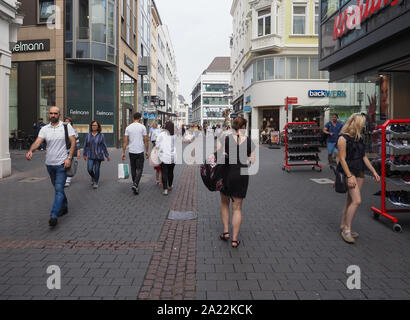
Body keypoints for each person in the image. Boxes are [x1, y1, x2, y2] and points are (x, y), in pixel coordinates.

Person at [26, 107, 76, 227]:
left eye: (55, 113)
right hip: (49, 164)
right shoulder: (44, 129)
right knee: (58, 188)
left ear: (59, 115)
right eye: (51, 113)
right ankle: (64, 206)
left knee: (59, 189)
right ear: (49, 115)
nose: (53, 115)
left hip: (62, 164)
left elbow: (73, 142)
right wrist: (31, 150)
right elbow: (38, 141)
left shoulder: (66, 126)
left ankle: (54, 215)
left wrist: (68, 158)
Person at [337, 113, 380, 244]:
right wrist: (349, 176)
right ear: (356, 123)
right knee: (357, 201)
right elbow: (342, 159)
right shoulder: (343, 139)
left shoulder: (359, 138)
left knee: (350, 200)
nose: (364, 126)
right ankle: (347, 230)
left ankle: (343, 225)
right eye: (362, 124)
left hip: (359, 171)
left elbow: (364, 156)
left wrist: (373, 171)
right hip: (349, 171)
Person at [218, 117, 255, 248]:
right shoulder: (249, 141)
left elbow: (219, 156)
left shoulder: (226, 139)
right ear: (243, 126)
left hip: (227, 174)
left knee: (224, 203)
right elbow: (252, 160)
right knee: (237, 208)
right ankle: (234, 240)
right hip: (242, 175)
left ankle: (226, 232)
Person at [122, 112, 149, 195]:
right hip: (140, 150)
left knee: (133, 169)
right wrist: (147, 151)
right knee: (140, 169)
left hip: (131, 151)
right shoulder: (142, 127)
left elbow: (125, 141)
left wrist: (123, 152)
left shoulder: (128, 127)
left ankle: (135, 185)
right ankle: (135, 184)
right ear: (140, 118)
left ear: (133, 118)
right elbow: (146, 140)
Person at [83, 121, 110, 189]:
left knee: (97, 169)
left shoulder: (101, 135)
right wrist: (84, 154)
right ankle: (93, 176)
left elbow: (104, 146)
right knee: (89, 169)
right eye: (92, 125)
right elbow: (85, 145)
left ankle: (96, 182)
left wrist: (107, 155)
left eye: (95, 125)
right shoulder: (88, 135)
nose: (94, 126)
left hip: (98, 155)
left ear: (98, 126)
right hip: (90, 154)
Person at [156, 121, 177, 196]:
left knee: (164, 173)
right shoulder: (175, 135)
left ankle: (165, 190)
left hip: (164, 157)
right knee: (171, 172)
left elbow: (157, 144)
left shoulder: (161, 134)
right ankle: (170, 186)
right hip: (173, 157)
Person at [64, 117, 81, 188]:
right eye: (66, 122)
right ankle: (64, 178)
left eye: (69, 122)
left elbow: (77, 142)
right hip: (62, 151)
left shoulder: (74, 131)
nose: (67, 123)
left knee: (70, 164)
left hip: (71, 150)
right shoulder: (61, 130)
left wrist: (78, 151)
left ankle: (68, 180)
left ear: (71, 123)